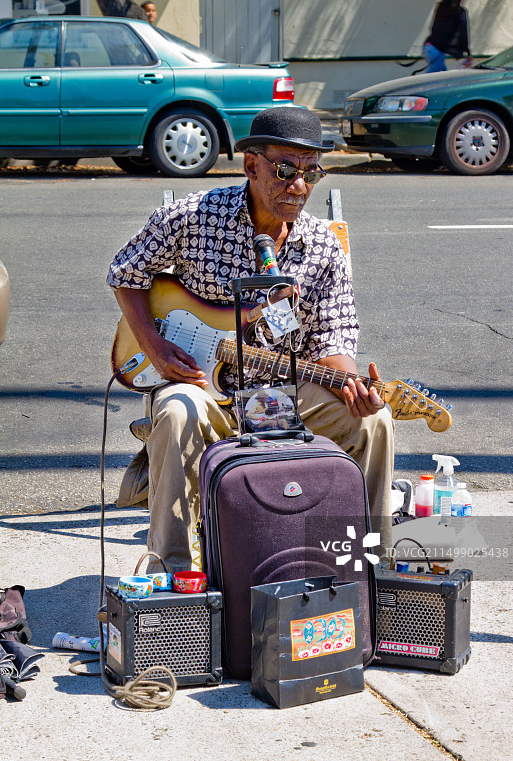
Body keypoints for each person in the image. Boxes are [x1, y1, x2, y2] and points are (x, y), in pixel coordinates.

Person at [107, 107, 394, 574]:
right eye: (285, 170)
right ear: (251, 165)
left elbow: (332, 339)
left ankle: (369, 566)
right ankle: (174, 571)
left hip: (283, 392)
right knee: (178, 410)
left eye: (310, 173)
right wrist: (155, 348)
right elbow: (125, 273)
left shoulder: (323, 246)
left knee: (374, 423)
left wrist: (353, 388)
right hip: (202, 386)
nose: (297, 186)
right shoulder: (193, 216)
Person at [423, 0, 472, 73]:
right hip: (438, 52)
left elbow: (433, 29)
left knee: (443, 79)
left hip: (429, 48)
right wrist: (468, 53)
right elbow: (463, 34)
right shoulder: (460, 12)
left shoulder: (440, 8)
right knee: (432, 83)